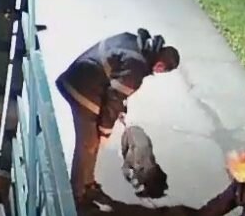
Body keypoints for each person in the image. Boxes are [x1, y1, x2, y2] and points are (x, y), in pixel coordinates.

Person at [56, 28, 180, 204]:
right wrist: (105, 131)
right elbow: (113, 101)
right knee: (89, 142)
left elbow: (116, 85)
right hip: (82, 88)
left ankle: (88, 183)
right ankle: (77, 195)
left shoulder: (134, 42)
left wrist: (118, 108)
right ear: (160, 67)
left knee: (93, 141)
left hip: (82, 76)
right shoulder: (137, 68)